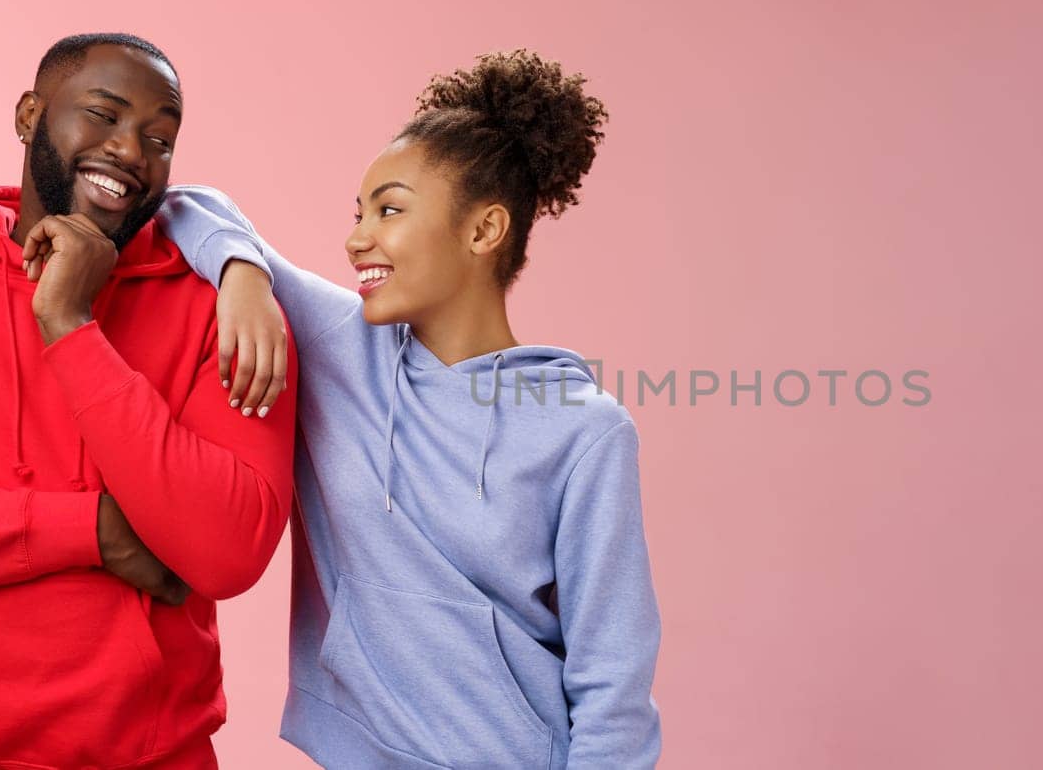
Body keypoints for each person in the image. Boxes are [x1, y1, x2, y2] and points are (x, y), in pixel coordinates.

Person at [150, 50, 660, 768]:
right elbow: (184, 204)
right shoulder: (341, 347)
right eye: (359, 214)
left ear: (484, 231)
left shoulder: (585, 429)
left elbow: (613, 677)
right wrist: (241, 275)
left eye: (389, 210)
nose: (358, 238)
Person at [0, 33, 297, 768]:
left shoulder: (228, 315)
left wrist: (71, 326)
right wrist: (89, 529)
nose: (130, 152)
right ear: (29, 115)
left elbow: (228, 552)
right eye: (104, 115)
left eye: (159, 138)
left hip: (155, 755)